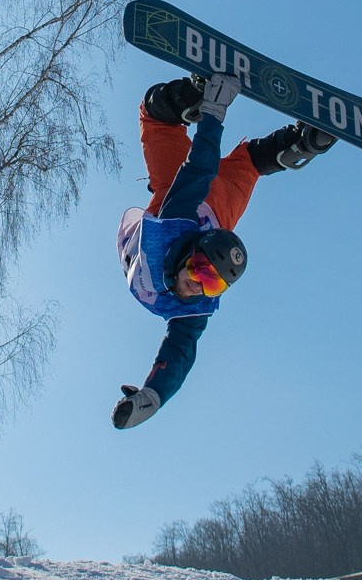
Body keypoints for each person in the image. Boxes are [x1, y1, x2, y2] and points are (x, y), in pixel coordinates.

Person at [111, 71, 335, 428]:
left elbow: (198, 170)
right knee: (247, 163)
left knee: (155, 120)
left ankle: (191, 96)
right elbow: (184, 352)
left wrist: (214, 111)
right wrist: (155, 396)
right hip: (219, 211)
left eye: (203, 276)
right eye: (209, 282)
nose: (199, 286)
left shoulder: (171, 228)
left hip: (177, 195)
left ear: (189, 256)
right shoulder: (199, 300)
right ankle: (305, 141)